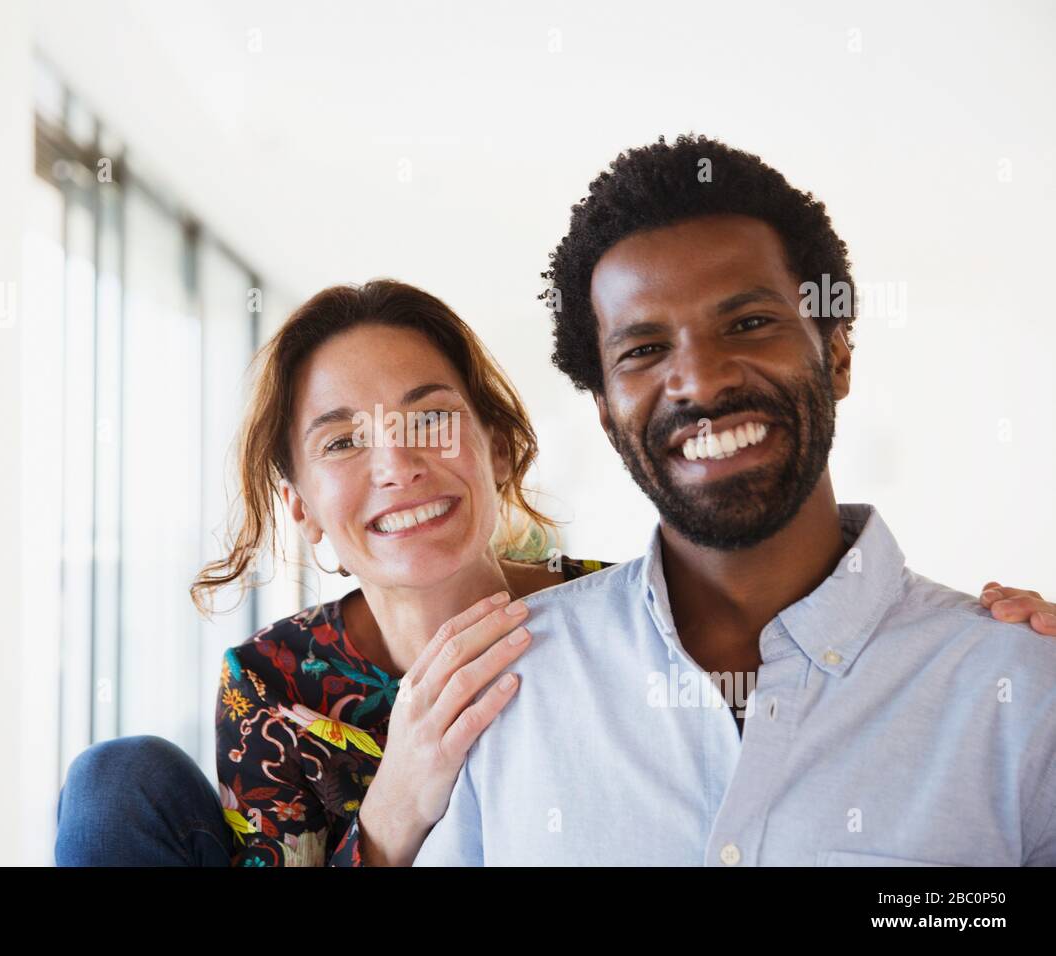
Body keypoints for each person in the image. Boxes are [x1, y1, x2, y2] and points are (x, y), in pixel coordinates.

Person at [55, 272, 1055, 867]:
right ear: (303, 506)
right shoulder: (270, 688)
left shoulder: (629, 619)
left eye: (427, 414)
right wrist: (398, 804)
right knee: (118, 780)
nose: (398, 461)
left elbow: (817, 650)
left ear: (495, 443)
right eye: (344, 440)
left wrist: (985, 648)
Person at [411, 133, 1056, 866]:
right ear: (604, 408)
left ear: (836, 354)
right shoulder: (509, 687)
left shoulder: (1023, 691)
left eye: (748, 324)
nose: (702, 382)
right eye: (643, 351)